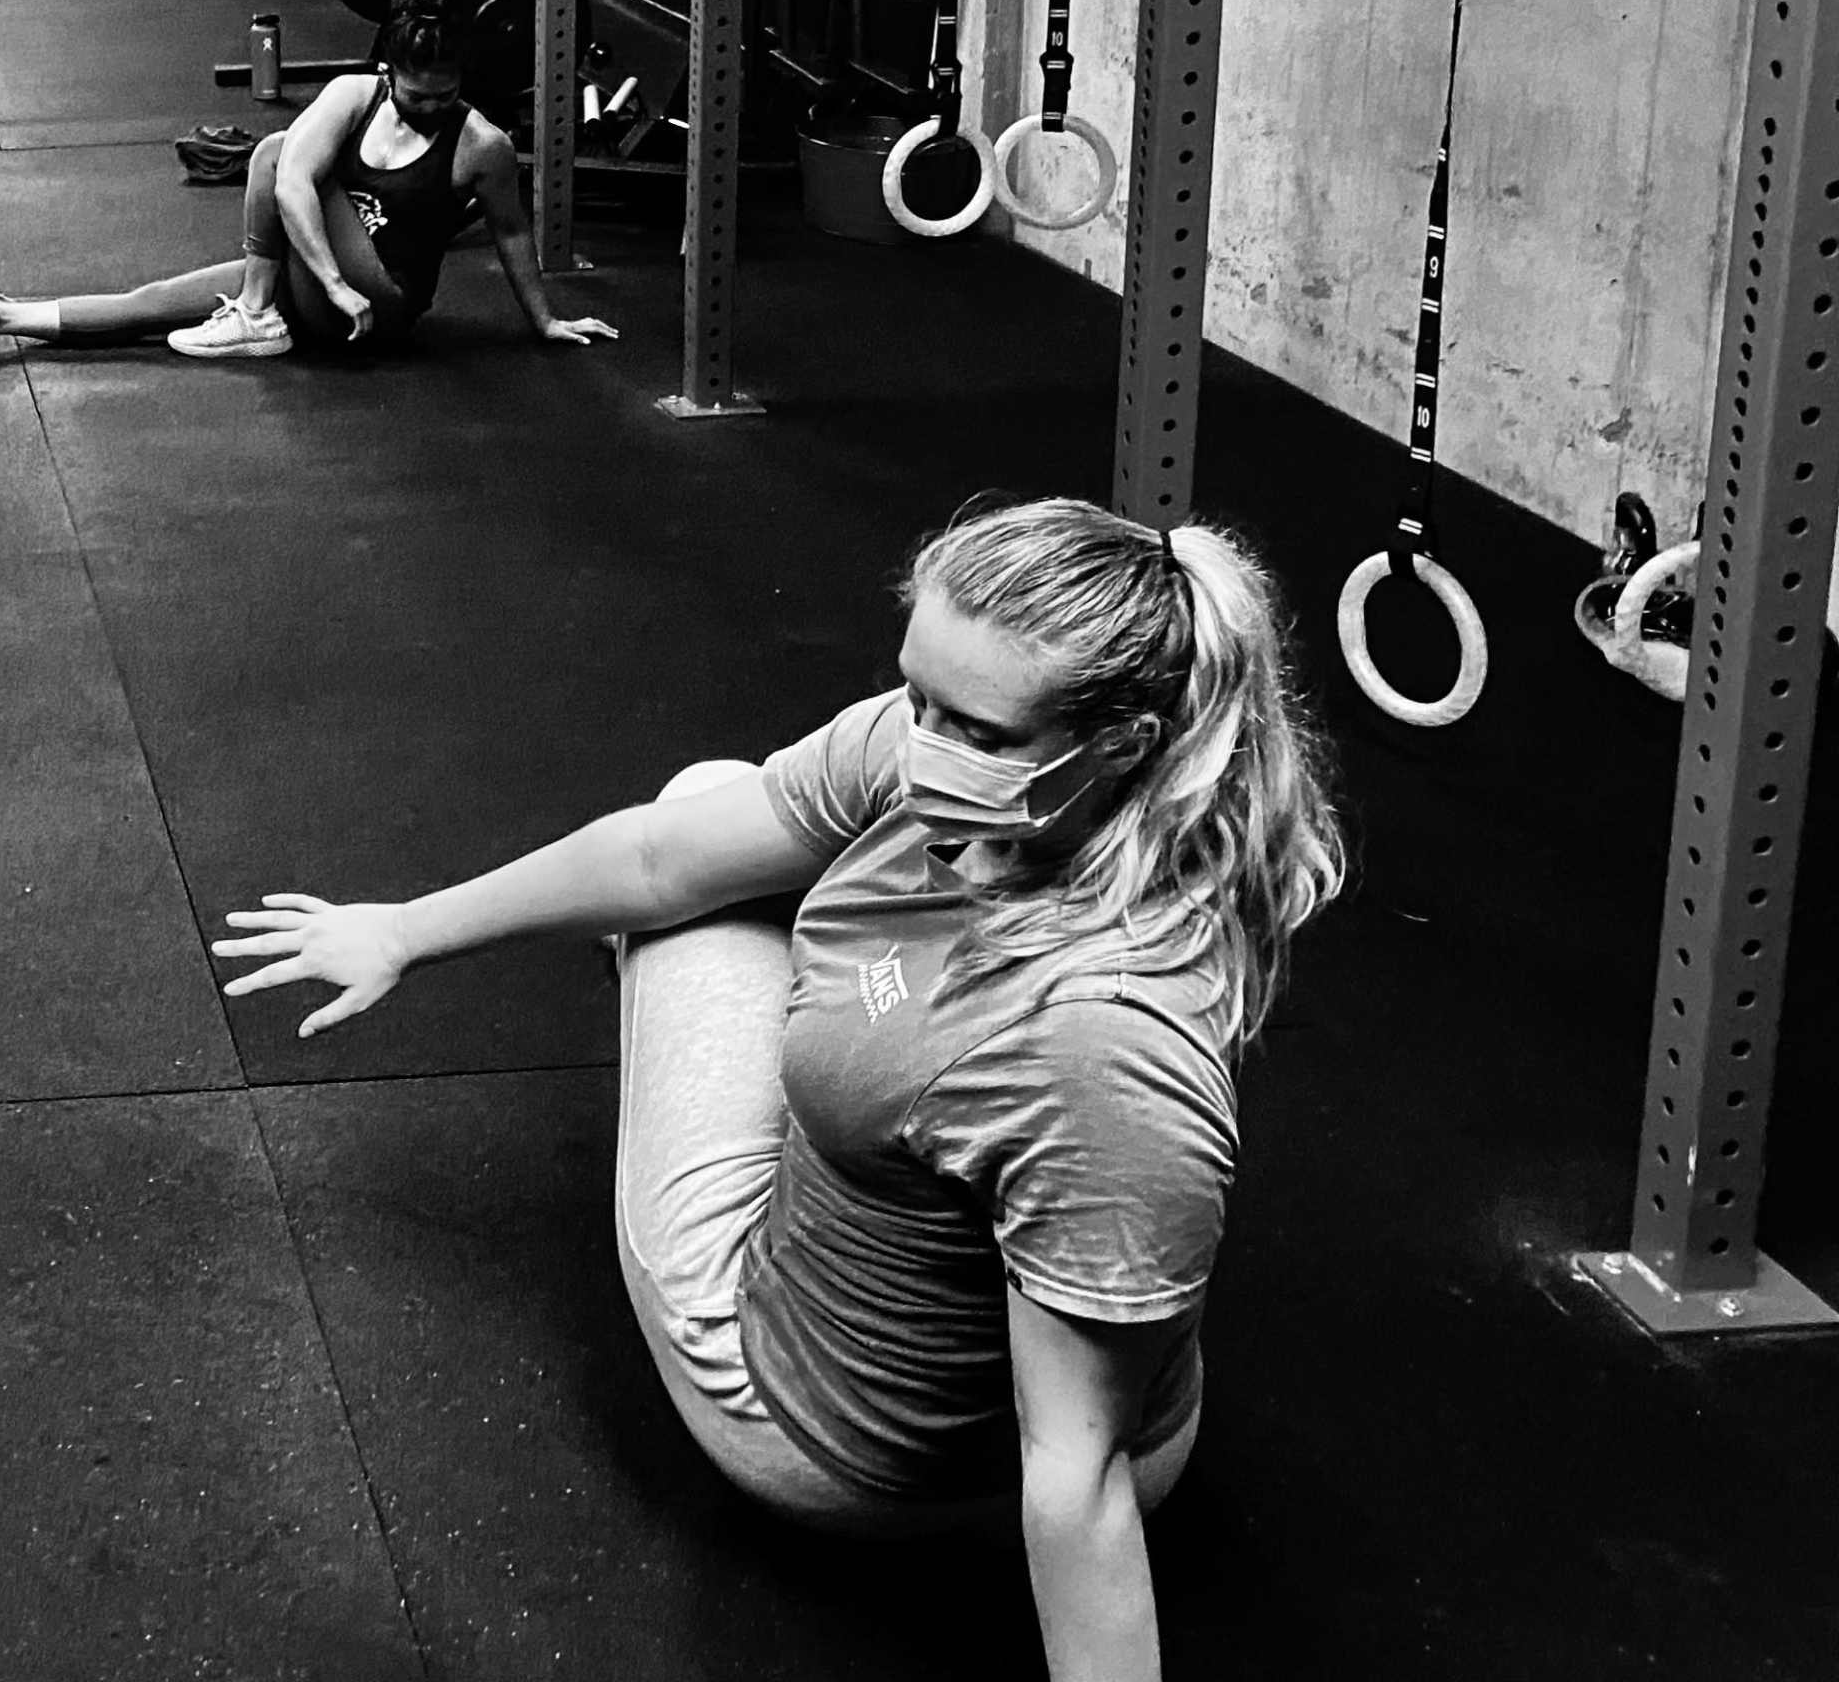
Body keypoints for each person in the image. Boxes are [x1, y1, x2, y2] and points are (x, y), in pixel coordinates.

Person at [214, 498, 1348, 1669]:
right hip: (1077, 1382)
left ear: (1119, 744)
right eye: (916, 694)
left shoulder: (1105, 1051)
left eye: (974, 728)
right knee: (711, 803)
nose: (921, 743)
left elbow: (1077, 1474)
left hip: (840, 1444)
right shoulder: (1050, 785)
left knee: (684, 911)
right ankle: (858, 1013)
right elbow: (659, 857)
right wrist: (401, 929)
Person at [0, 7, 616, 359]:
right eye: (418, 95)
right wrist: (327, 277)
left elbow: (511, 231)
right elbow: (291, 188)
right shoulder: (354, 95)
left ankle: (256, 313)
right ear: (389, 76)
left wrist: (545, 320)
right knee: (153, 302)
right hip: (319, 277)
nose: (434, 107)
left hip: (378, 304)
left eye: (447, 94)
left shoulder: (482, 145)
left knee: (279, 150)